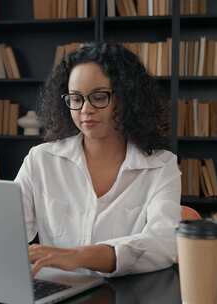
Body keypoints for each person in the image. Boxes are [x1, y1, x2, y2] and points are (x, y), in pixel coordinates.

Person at [14, 42, 181, 277]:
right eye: (76, 98)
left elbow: (164, 243)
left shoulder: (161, 166)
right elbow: (8, 232)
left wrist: (79, 256)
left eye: (99, 97)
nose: (85, 109)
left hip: (127, 296)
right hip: (60, 293)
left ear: (127, 98)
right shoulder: (40, 160)